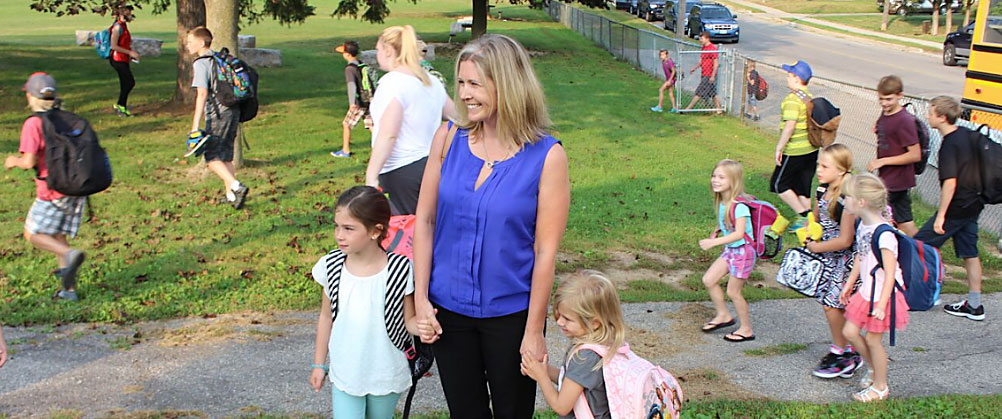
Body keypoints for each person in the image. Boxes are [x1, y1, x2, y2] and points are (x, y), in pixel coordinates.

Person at [412, 34, 570, 418]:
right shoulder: (448, 138)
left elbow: (545, 251)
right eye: (461, 83)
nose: (465, 94)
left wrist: (534, 330)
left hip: (511, 316)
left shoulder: (547, 156)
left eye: (475, 84)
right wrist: (420, 301)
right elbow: (426, 221)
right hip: (448, 312)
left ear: (509, 85)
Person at [308, 186, 420, 418]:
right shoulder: (331, 266)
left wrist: (423, 327)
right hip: (346, 370)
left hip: (386, 371)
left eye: (348, 229)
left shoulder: (400, 270)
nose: (339, 235)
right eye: (337, 226)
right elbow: (325, 317)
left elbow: (409, 320)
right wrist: (319, 364)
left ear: (375, 231)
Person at [5, 72, 86, 302]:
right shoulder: (64, 118)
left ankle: (70, 255)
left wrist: (13, 161)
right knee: (58, 236)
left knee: (33, 234)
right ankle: (68, 291)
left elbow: (29, 161)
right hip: (74, 187)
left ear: (31, 97)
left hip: (51, 190)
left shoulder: (33, 124)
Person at [365, 25, 451, 216]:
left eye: (378, 49)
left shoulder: (392, 83)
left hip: (401, 170)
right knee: (432, 225)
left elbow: (388, 134)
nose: (378, 54)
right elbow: (458, 117)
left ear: (388, 51)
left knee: (408, 234)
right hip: (433, 165)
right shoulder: (430, 81)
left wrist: (371, 175)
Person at [839, 173, 910, 403]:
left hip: (883, 296)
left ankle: (880, 386)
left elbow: (890, 273)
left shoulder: (884, 234)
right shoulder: (864, 226)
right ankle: (873, 367)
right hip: (867, 292)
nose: (844, 200)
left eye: (847, 196)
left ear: (861, 202)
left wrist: (881, 304)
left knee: (872, 340)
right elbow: (862, 255)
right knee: (849, 332)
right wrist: (850, 284)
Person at [916, 96, 985, 321]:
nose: (927, 116)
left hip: (956, 207)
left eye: (931, 112)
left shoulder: (948, 145)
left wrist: (941, 216)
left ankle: (926, 295)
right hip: (973, 203)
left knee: (919, 246)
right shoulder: (968, 135)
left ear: (942, 117)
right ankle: (975, 305)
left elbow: (950, 182)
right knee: (970, 253)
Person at [520, 271, 622, 418]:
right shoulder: (605, 344)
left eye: (567, 319)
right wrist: (544, 369)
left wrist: (541, 377)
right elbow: (573, 380)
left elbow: (561, 406)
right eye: (558, 315)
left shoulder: (586, 357)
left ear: (594, 322)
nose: (560, 322)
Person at [804, 144, 863, 379]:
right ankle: (845, 350)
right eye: (819, 164)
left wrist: (817, 246)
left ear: (841, 170)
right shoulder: (821, 191)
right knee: (832, 305)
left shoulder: (846, 199)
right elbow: (816, 219)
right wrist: (810, 230)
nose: (819, 169)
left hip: (847, 261)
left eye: (825, 166)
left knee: (832, 305)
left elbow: (846, 240)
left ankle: (843, 352)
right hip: (828, 257)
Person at [185, 27, 249, 210]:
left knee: (211, 157)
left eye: (190, 41)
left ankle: (237, 186)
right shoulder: (220, 58)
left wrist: (195, 125)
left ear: (202, 42)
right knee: (226, 155)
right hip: (233, 110)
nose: (187, 44)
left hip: (218, 114)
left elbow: (202, 94)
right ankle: (231, 196)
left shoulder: (201, 63)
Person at [699, 159, 756, 342]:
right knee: (709, 280)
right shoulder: (724, 202)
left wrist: (713, 243)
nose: (715, 180)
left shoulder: (740, 206)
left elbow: (740, 234)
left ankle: (746, 329)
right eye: (714, 176)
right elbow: (728, 222)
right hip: (731, 251)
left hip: (743, 252)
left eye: (721, 177)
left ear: (733, 181)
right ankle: (723, 315)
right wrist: (718, 228)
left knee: (733, 292)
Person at [867, 75, 921, 237]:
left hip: (896, 180)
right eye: (881, 99)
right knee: (905, 223)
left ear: (900, 96)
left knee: (871, 215)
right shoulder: (886, 113)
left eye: (889, 99)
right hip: (888, 177)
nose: (884, 103)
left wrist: (882, 161)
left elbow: (915, 154)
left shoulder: (904, 120)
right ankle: (925, 253)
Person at [771, 60, 819, 231]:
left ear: (797, 78)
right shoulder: (809, 97)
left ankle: (805, 215)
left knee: (778, 184)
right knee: (803, 185)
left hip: (795, 151)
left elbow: (790, 125)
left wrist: (780, 147)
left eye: (789, 75)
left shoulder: (792, 100)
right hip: (812, 150)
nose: (787, 78)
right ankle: (808, 223)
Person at [330, 40, 373, 158]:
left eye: (343, 52)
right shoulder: (360, 64)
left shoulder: (349, 69)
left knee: (346, 124)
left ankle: (345, 150)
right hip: (368, 100)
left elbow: (351, 85)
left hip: (359, 102)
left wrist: (351, 103)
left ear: (348, 54)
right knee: (371, 126)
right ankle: (385, 148)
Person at [108, 5, 140, 117]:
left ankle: (122, 106)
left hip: (123, 58)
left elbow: (124, 43)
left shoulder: (123, 26)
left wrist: (130, 54)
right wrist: (130, 53)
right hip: (117, 59)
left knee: (125, 83)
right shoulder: (117, 27)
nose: (130, 15)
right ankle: (120, 105)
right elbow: (114, 46)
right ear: (122, 14)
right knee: (130, 82)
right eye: (128, 12)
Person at [685, 32, 722, 114]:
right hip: (704, 73)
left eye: (702, 38)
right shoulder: (703, 48)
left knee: (698, 92)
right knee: (713, 93)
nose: (700, 40)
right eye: (700, 38)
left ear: (707, 38)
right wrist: (694, 68)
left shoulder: (712, 48)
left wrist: (712, 76)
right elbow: (701, 61)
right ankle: (719, 110)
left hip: (709, 75)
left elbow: (716, 63)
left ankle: (687, 109)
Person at [651, 49, 676, 113]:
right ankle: (674, 108)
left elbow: (673, 71)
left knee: (661, 90)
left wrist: (670, 80)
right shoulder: (663, 61)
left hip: (671, 80)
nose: (661, 56)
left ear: (667, 55)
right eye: (660, 55)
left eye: (663, 55)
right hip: (669, 79)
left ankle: (660, 107)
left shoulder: (669, 61)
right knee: (670, 93)